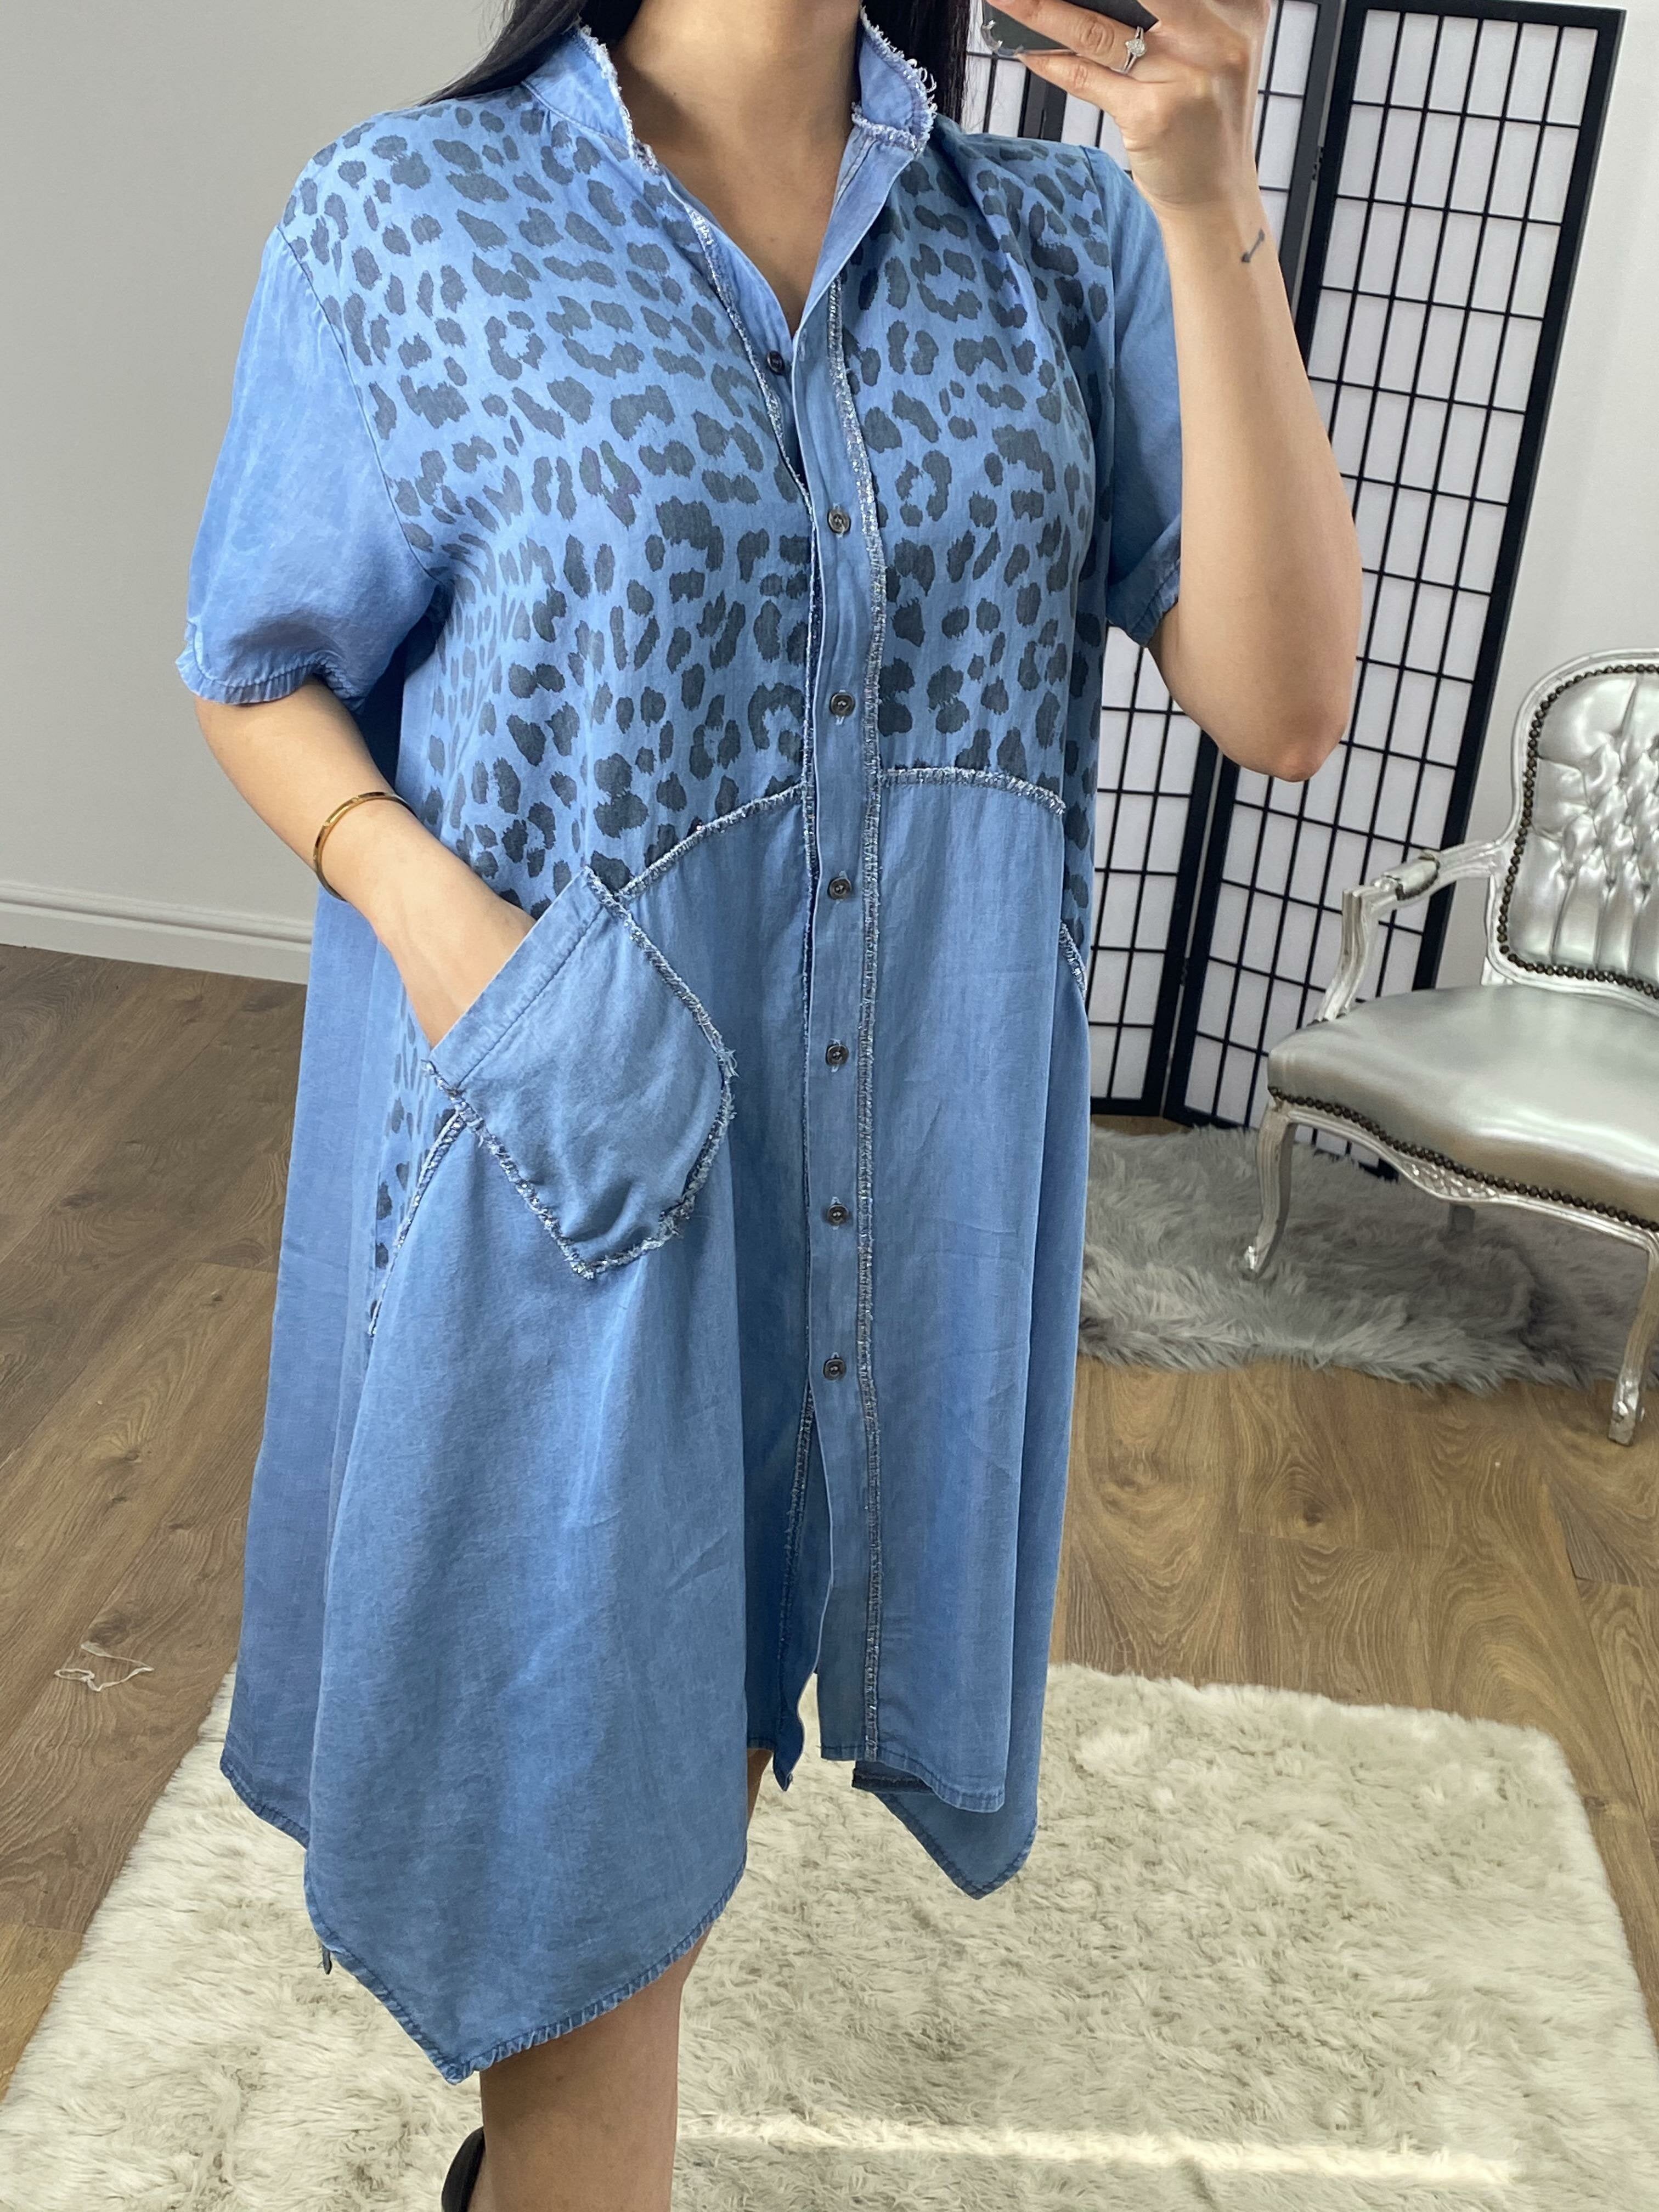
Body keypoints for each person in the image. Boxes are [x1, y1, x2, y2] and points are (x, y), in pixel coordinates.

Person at [177, 0, 1359, 2205]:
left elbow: (1284, 700)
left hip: (902, 1179)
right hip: (577, 1152)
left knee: (689, 1753)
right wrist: (452, 935)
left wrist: (1208, 195)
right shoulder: (418, 214)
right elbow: (259, 667)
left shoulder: (1056, 244)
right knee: (573, 1829)